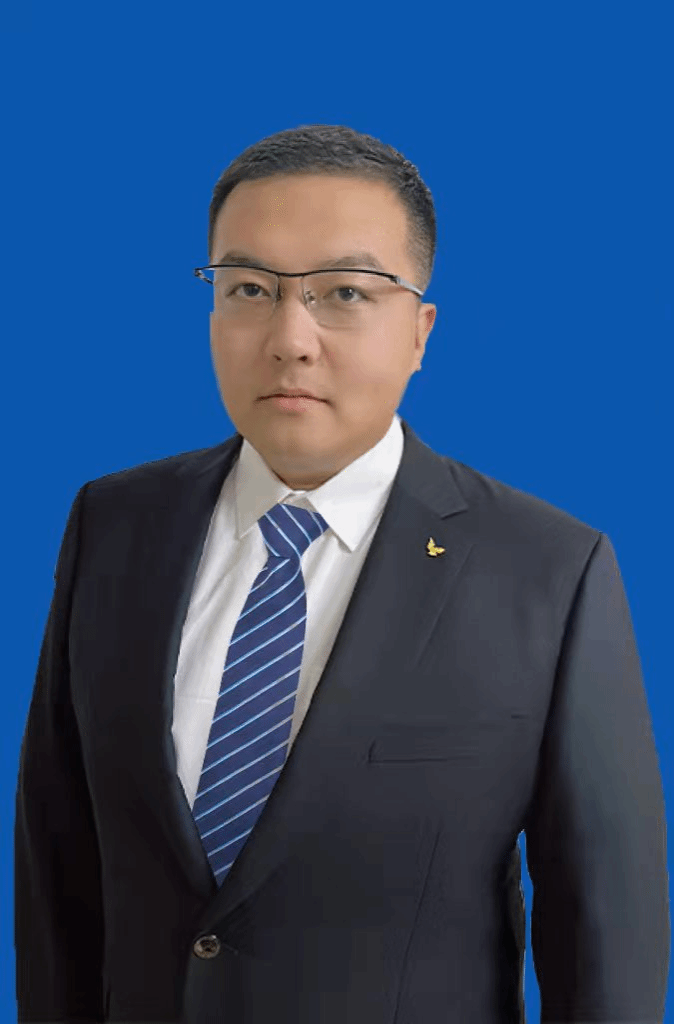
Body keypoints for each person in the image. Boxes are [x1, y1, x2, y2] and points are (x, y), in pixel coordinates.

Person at [15, 123, 669, 1024]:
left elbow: (605, 944)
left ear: (420, 331)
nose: (290, 338)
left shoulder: (548, 571)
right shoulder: (115, 524)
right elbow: (57, 865)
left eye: (345, 293)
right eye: (249, 289)